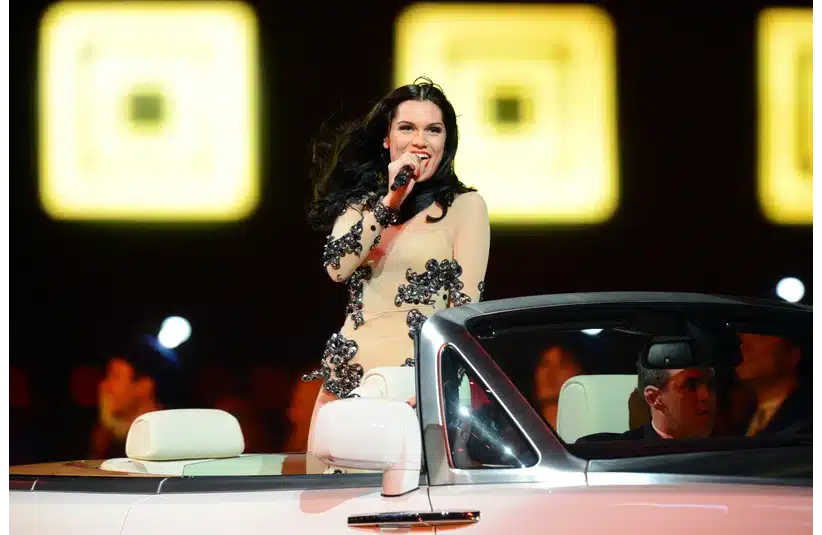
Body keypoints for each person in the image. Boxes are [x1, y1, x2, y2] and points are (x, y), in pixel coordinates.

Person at [301, 78, 490, 471]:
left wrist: (435, 386)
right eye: (407, 128)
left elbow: (465, 311)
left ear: (445, 143)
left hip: (417, 391)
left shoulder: (465, 207)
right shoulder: (362, 208)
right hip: (345, 390)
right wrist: (391, 200)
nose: (420, 140)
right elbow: (336, 266)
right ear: (387, 140)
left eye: (433, 130)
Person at [577, 362, 716, 442]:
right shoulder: (606, 455)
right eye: (690, 386)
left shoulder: (733, 452)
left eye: (710, 385)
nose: (706, 396)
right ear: (654, 398)